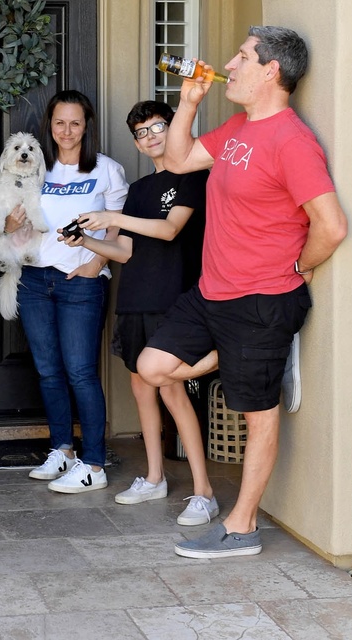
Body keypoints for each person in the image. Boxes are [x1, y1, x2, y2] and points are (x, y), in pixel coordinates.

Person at [137, 27, 347, 558]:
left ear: (271, 71)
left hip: (262, 299)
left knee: (258, 413)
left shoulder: (292, 141)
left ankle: (242, 528)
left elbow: (332, 226)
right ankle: (239, 359)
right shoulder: (236, 128)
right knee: (153, 365)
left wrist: (299, 265)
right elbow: (181, 160)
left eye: (243, 57)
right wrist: (188, 103)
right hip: (212, 293)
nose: (229, 63)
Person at [60, 100, 220, 525]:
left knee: (171, 389)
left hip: (175, 301)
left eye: (157, 128)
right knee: (141, 390)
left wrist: (110, 215)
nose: (150, 137)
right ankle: (154, 478)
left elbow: (169, 230)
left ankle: (204, 492)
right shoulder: (140, 189)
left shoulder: (191, 177)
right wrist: (88, 243)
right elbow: (127, 251)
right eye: (141, 133)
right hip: (133, 300)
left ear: (175, 127)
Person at [5, 90, 129, 493]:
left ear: (86, 126)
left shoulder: (106, 170)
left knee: (80, 372)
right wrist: (9, 226)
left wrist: (97, 265)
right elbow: (13, 220)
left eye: (75, 123)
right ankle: (63, 450)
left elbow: (116, 226)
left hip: (81, 282)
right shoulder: (36, 169)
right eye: (60, 123)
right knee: (48, 370)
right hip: (35, 280)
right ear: (49, 125)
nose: (67, 131)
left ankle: (94, 462)